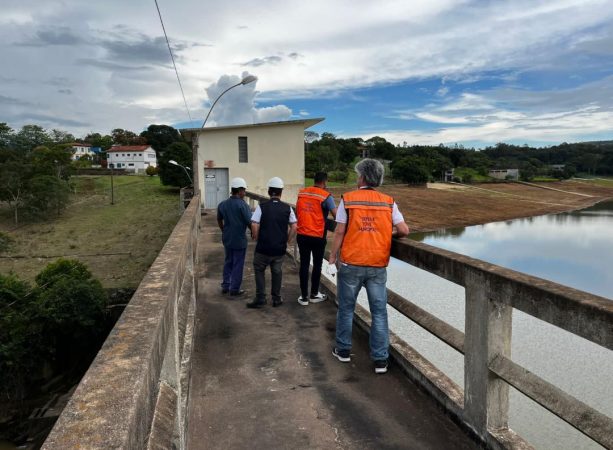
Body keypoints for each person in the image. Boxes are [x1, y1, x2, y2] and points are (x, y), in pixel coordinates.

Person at [328, 159, 409, 374]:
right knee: (379, 312)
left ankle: (343, 351)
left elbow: (339, 231)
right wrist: (386, 234)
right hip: (377, 264)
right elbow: (404, 230)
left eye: (358, 175)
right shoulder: (389, 202)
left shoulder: (349, 199)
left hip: (351, 263)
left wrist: (332, 256)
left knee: (346, 308)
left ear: (362, 177)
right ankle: (380, 360)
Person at [246, 177, 297, 308]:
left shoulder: (262, 207)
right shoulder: (288, 208)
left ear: (269, 192)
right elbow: (294, 226)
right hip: (279, 249)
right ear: (281, 192)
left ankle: (261, 298)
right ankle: (276, 298)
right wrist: (288, 240)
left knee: (259, 270)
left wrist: (256, 236)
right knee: (277, 272)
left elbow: (254, 223)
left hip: (263, 247)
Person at [295, 172, 337, 306]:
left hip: (302, 234)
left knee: (304, 264)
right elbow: (336, 215)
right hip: (318, 236)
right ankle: (314, 294)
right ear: (325, 182)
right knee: (317, 265)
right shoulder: (326, 196)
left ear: (314, 181)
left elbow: (298, 211)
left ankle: (303, 297)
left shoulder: (302, 193)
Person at [217, 177, 252, 296]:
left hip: (227, 238)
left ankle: (226, 285)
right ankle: (235, 289)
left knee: (228, 261)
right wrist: (254, 232)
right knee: (238, 263)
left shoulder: (223, 204)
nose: (245, 193)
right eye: (244, 190)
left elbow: (219, 219)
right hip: (239, 240)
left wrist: (223, 230)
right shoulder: (243, 205)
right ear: (240, 190)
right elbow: (249, 222)